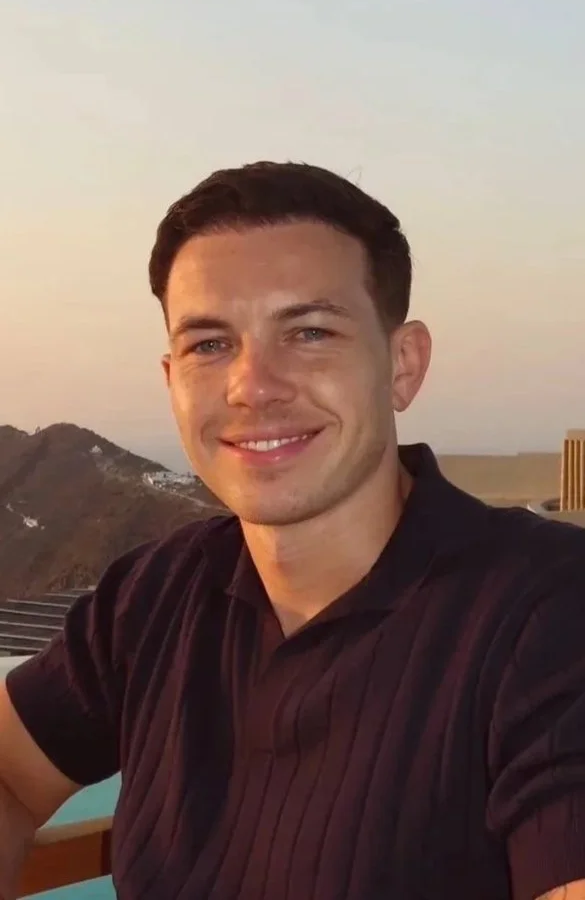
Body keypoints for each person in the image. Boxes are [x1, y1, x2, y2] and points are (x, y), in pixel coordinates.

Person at [1, 162, 585, 900]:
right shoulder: (153, 597)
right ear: (170, 378)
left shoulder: (548, 610)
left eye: (309, 332)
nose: (252, 384)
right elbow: (12, 773)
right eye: (209, 345)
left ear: (402, 366)